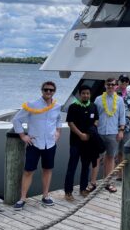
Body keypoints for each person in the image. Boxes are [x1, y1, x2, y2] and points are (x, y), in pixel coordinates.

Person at [12, 81, 61, 210]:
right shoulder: (32, 105)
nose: (48, 92)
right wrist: (23, 136)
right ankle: (22, 198)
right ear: (42, 90)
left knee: (47, 169)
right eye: (46, 90)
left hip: (50, 144)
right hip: (34, 143)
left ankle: (45, 196)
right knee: (28, 171)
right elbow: (16, 119)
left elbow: (58, 119)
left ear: (54, 91)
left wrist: (58, 132)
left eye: (51, 90)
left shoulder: (57, 106)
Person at [64, 85, 99, 201]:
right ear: (79, 94)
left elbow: (96, 120)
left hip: (88, 143)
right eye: (83, 93)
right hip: (75, 142)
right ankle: (68, 192)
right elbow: (70, 123)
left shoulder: (93, 106)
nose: (86, 95)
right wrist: (81, 134)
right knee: (72, 167)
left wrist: (89, 134)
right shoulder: (73, 107)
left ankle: (83, 189)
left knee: (86, 167)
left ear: (90, 95)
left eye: (88, 93)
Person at [94, 77, 127, 193]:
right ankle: (93, 182)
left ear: (116, 86)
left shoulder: (119, 100)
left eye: (113, 85)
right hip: (99, 132)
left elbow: (122, 116)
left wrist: (121, 130)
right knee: (96, 158)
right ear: (105, 85)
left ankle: (108, 182)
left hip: (113, 132)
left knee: (110, 157)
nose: (111, 86)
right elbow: (95, 116)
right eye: (109, 84)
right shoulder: (98, 100)